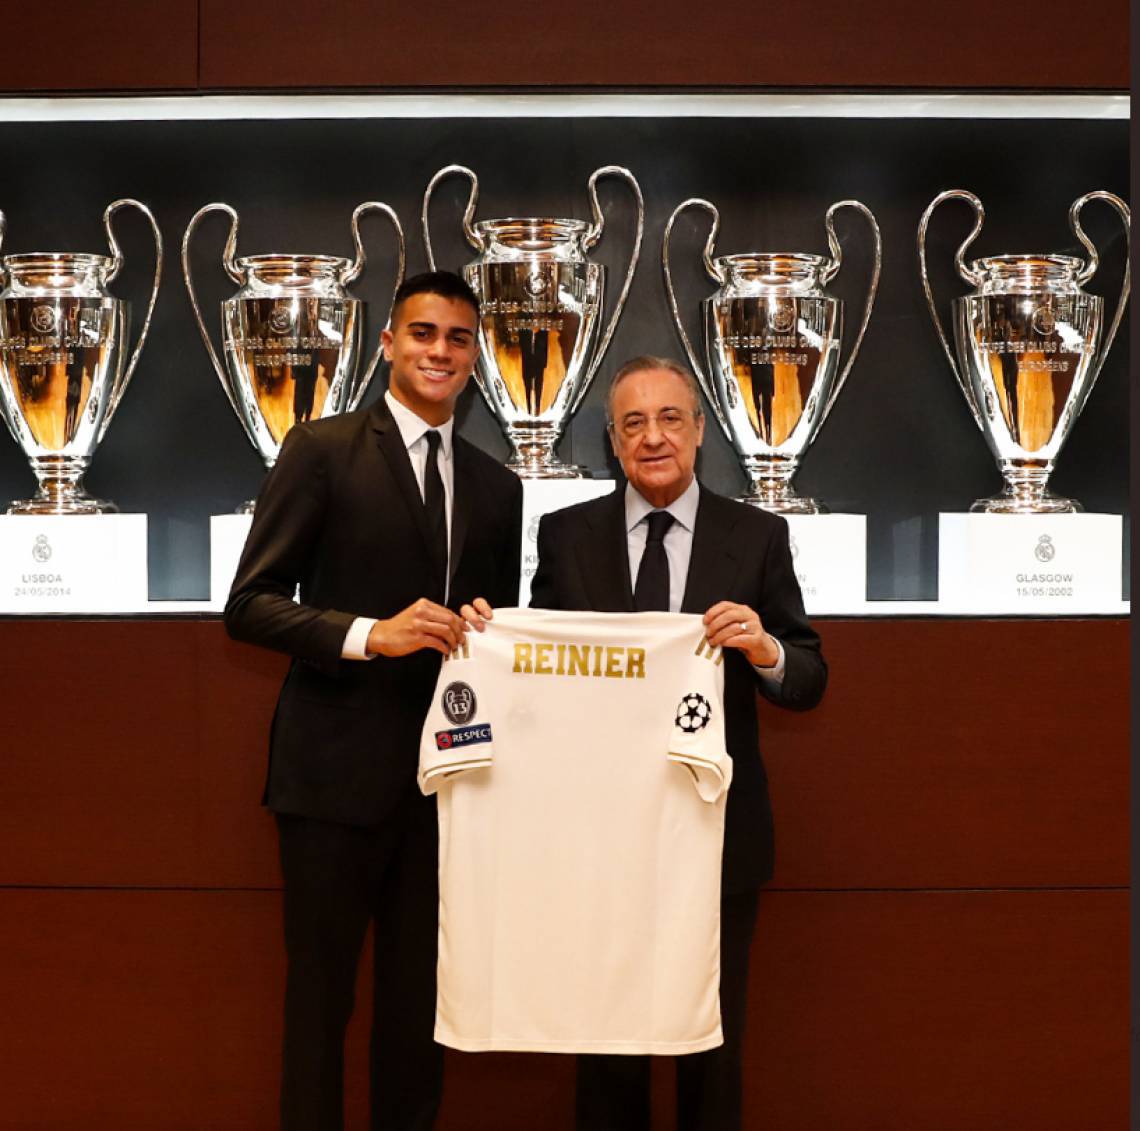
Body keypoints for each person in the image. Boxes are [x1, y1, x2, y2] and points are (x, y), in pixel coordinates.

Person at [224, 270, 523, 1131]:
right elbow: (249, 605)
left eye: (458, 338)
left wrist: (486, 625)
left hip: (446, 789)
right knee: (319, 1007)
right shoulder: (319, 448)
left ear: (475, 359)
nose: (440, 351)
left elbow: (493, 633)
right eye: (423, 333)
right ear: (389, 343)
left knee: (418, 1014)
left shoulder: (498, 485)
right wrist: (368, 633)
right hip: (329, 783)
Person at [526, 355, 827, 1130]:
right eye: (633, 422)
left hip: (717, 834)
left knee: (712, 1047)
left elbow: (808, 676)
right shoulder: (565, 535)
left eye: (668, 418)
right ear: (612, 441)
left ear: (699, 431)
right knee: (606, 1044)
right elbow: (538, 673)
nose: (652, 437)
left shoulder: (758, 536)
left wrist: (764, 647)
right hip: (601, 838)